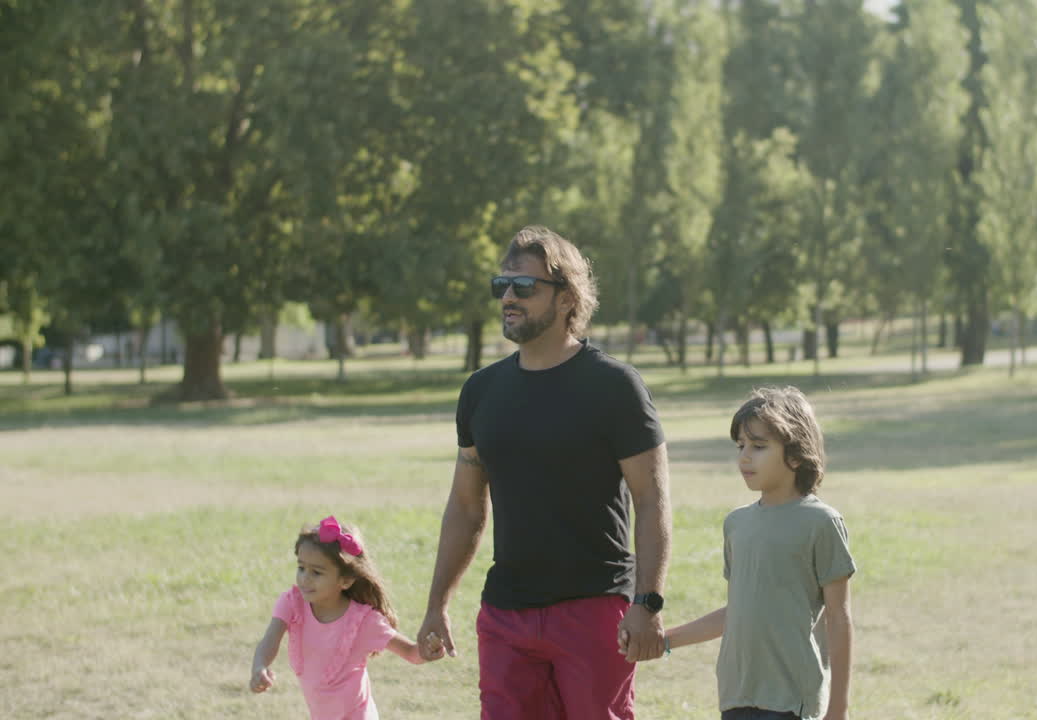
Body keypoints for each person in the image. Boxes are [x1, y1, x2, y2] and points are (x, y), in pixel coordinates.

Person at [416, 225, 672, 720]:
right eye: (502, 285)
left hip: (594, 608)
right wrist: (436, 604)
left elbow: (651, 501)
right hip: (505, 614)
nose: (508, 297)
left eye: (524, 286)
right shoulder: (480, 391)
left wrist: (647, 602)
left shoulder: (615, 387)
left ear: (566, 297)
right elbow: (466, 508)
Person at [658, 387, 855, 720]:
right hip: (737, 696)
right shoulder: (737, 524)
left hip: (792, 701)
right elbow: (738, 611)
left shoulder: (822, 523)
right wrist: (665, 640)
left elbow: (839, 617)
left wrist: (838, 708)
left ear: (796, 455)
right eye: (741, 446)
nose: (745, 457)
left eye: (759, 446)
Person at [250, 516, 429, 719]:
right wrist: (260, 666)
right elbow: (270, 640)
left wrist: (429, 648)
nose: (305, 578)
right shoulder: (292, 603)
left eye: (317, 572)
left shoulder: (363, 621)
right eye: (301, 568)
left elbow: (412, 653)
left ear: (346, 580)